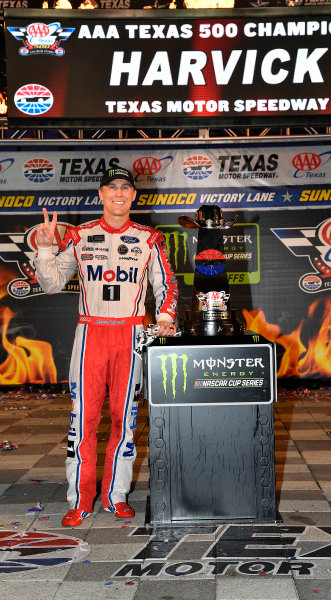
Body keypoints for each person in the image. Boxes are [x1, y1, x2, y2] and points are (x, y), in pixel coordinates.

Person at [34, 167, 178, 527]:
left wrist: (164, 316)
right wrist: (46, 248)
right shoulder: (81, 235)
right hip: (91, 334)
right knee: (82, 422)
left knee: (123, 422)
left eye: (125, 188)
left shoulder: (149, 238)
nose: (118, 193)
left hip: (130, 337)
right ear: (101, 193)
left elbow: (167, 285)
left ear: (133, 196)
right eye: (111, 187)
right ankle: (80, 500)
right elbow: (51, 284)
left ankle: (115, 495)